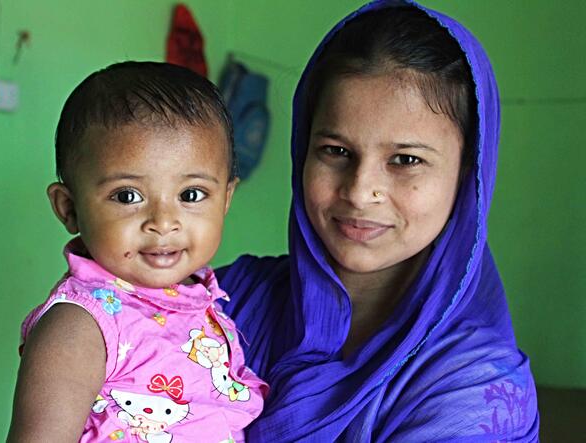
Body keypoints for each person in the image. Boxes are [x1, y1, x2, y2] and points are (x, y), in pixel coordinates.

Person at [217, 1, 539, 441]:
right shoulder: (222, 302)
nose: (359, 190)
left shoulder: (477, 389)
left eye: (406, 160)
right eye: (335, 151)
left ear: (468, 174)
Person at [7, 61, 267, 442]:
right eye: (128, 196)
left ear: (225, 199)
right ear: (69, 208)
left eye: (190, 195)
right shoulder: (82, 325)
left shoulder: (203, 298)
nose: (163, 222)